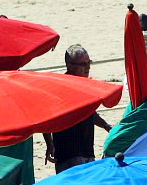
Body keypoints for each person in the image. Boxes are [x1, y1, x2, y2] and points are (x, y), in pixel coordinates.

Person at [41, 45, 112, 173]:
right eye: (83, 64)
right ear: (70, 66)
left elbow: (89, 112)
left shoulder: (85, 85)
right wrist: (49, 144)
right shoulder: (59, 87)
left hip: (87, 151)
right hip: (69, 155)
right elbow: (46, 116)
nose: (88, 67)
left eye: (89, 62)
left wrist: (106, 126)